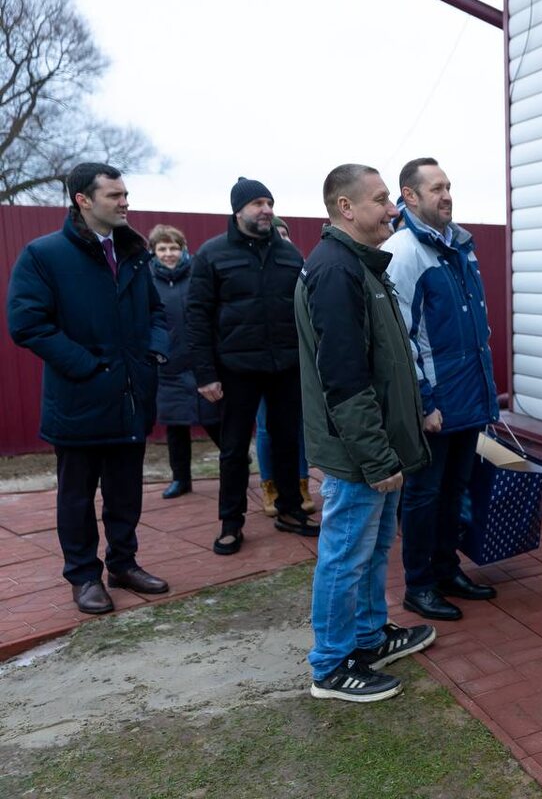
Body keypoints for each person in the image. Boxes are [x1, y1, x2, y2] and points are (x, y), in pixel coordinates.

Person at [7, 162, 172, 614]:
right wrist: (86, 366)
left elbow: (156, 312)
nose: (125, 202)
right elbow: (27, 323)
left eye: (125, 194)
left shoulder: (135, 252)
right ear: (83, 200)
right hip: (79, 400)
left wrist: (153, 352)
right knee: (76, 497)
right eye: (114, 195)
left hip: (131, 396)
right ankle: (83, 576)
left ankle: (124, 563)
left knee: (126, 490)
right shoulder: (44, 255)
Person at [296, 164, 434, 701]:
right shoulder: (336, 271)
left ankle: (369, 637)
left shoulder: (362, 265)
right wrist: (377, 457)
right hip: (357, 450)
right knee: (344, 554)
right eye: (380, 200)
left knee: (374, 549)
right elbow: (345, 379)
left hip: (378, 443)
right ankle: (330, 666)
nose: (392, 210)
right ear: (345, 207)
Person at [382, 157, 499, 622]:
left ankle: (448, 570)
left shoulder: (460, 248)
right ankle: (419, 584)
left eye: (449, 186)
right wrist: (425, 403)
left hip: (468, 397)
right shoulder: (404, 251)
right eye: (435, 188)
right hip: (436, 404)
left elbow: (473, 328)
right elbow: (399, 335)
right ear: (409, 196)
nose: (447, 195)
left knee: (455, 490)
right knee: (424, 496)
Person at [187, 177, 319, 555]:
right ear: (238, 210)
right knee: (232, 449)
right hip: (236, 369)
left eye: (269, 202)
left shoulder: (290, 255)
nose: (266, 209)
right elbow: (197, 316)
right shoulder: (212, 255)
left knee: (287, 440)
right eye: (258, 203)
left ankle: (290, 510)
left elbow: (306, 311)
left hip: (286, 366)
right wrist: (205, 373)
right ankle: (231, 523)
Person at [148, 224, 222, 499]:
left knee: (214, 419)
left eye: (174, 248)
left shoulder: (196, 275)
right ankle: (181, 479)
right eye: (162, 248)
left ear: (183, 249)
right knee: (175, 426)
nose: (169, 254)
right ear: (154, 252)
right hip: (168, 364)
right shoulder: (147, 279)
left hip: (201, 359)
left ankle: (233, 462)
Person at [254, 215, 315, 516]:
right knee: (266, 426)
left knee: (299, 426)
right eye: (275, 234)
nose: (280, 238)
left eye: (285, 234)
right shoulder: (257, 271)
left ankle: (302, 483)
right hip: (263, 362)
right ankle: (270, 486)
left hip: (296, 362)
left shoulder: (299, 269)